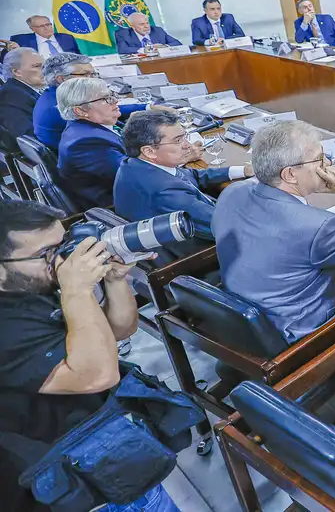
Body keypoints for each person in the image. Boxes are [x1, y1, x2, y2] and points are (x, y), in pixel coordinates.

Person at [0, 200, 180, 512]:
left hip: (105, 438)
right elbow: (99, 375)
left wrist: (115, 279)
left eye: (63, 244)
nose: (63, 260)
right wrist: (76, 291)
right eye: (47, 254)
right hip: (77, 477)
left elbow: (118, 331)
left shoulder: (29, 286)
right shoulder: (8, 327)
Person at [212, 121, 335, 343]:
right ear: (290, 174)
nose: (328, 164)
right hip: (301, 329)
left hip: (243, 317)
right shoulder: (318, 227)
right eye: (320, 158)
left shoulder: (233, 192)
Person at [115, 109, 250, 255]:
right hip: (199, 255)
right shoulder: (164, 191)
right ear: (149, 151)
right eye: (178, 140)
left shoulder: (136, 165)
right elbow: (227, 225)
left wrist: (244, 170)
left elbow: (192, 175)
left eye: (185, 137)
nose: (187, 145)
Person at [34, 53, 148, 151]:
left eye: (93, 74)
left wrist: (147, 107)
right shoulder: (57, 107)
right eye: (86, 75)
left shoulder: (54, 96)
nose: (94, 79)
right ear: (61, 79)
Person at [56, 78, 127, 209]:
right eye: (106, 99)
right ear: (80, 111)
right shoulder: (86, 143)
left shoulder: (92, 127)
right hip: (119, 206)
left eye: (112, 95)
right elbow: (134, 174)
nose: (116, 101)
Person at [0, 48, 45, 142]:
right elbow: (28, 137)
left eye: (44, 66)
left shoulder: (22, 90)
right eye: (37, 66)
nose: (45, 71)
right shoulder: (10, 96)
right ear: (16, 72)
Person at [9, 15, 81, 57]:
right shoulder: (21, 40)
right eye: (41, 26)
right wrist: (15, 51)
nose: (46, 28)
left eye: (48, 24)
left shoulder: (67, 38)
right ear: (32, 29)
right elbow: (9, 61)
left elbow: (78, 57)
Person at [114, 13, 182, 55]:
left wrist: (164, 46)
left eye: (147, 23)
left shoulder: (157, 30)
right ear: (132, 26)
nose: (146, 26)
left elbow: (177, 43)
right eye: (141, 24)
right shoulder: (123, 34)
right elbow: (122, 49)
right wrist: (147, 49)